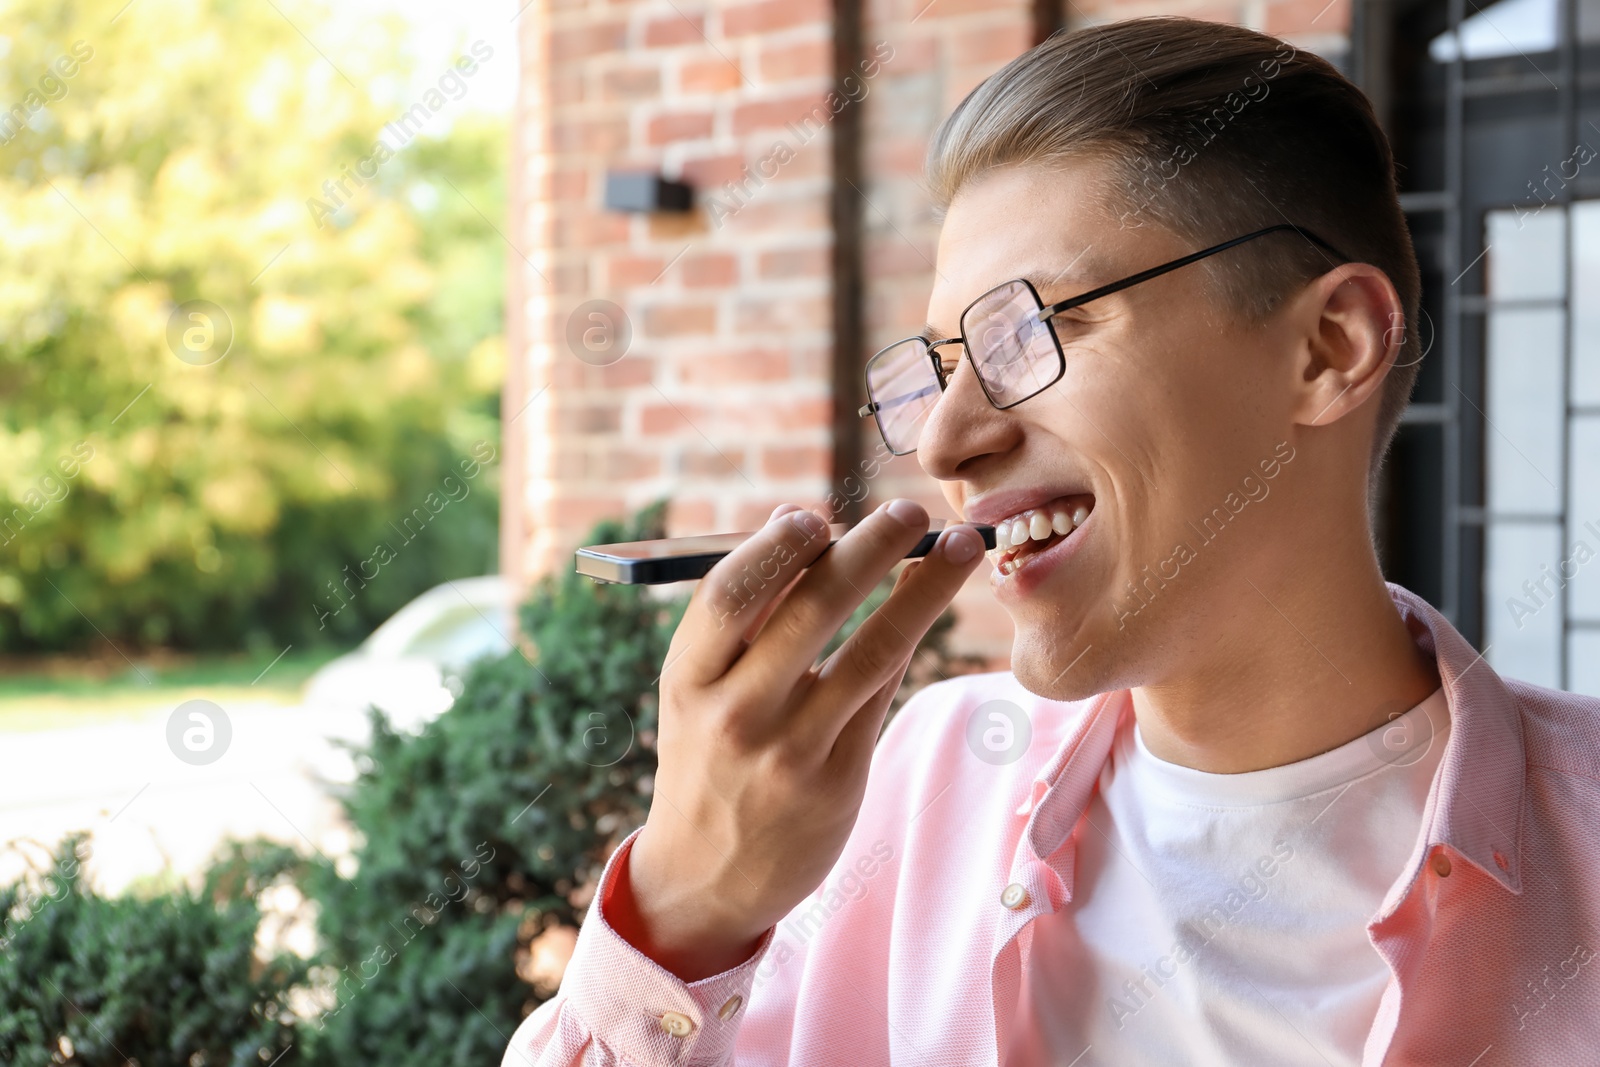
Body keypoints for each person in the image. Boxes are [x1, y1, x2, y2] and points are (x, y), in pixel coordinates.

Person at [505, 17, 1600, 1066]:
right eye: (937, 364)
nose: (944, 438)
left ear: (1326, 347)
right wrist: (686, 910)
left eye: (1032, 330)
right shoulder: (913, 791)